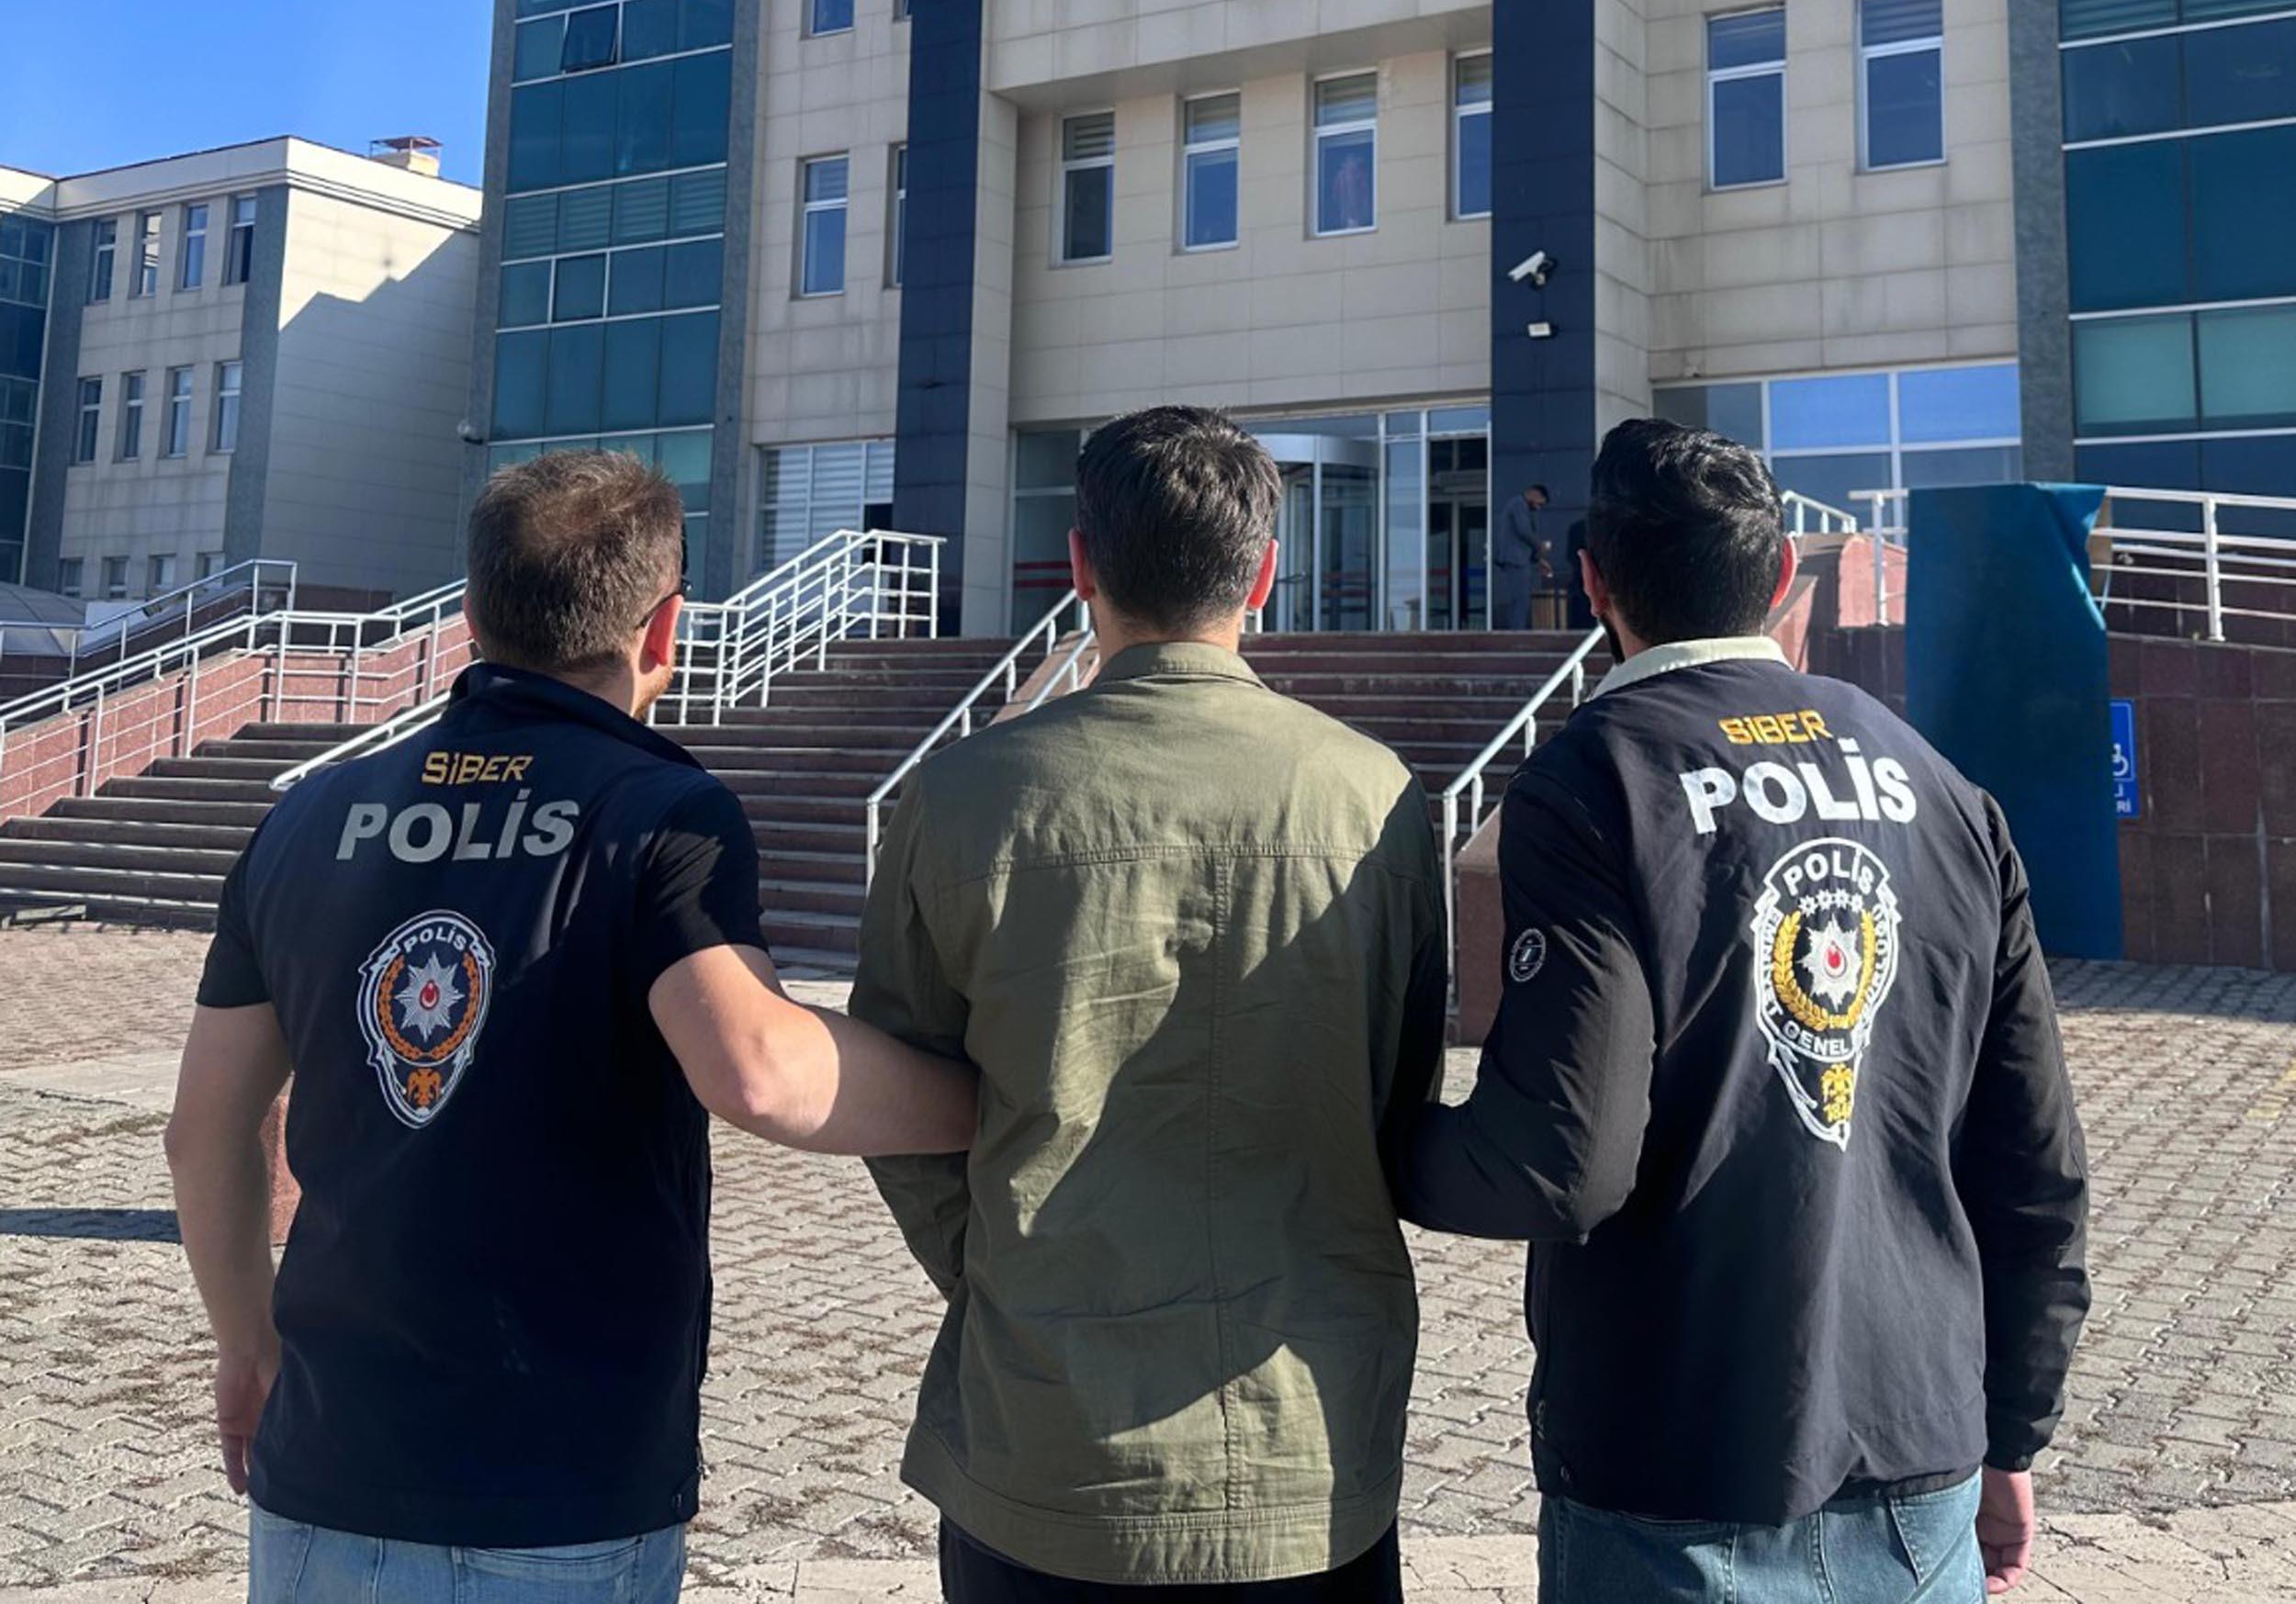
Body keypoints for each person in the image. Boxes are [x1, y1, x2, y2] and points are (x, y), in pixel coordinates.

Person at [164, 451, 976, 1604]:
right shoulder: (657, 811)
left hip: (324, 1466)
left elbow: (203, 1131)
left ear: (472, 616)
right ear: (664, 631)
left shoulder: (308, 815)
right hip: (558, 1480)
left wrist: (246, 1346)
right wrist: (1002, 1100)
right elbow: (760, 1071)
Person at [1400, 419, 2089, 1603]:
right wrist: (2013, 1431)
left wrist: (1366, 1141)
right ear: (1778, 577)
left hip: (1672, 1471)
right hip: (1920, 1454)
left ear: (1592, 582)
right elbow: (2033, 1156)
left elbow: (1558, 1163)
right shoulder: (1940, 786)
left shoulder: (1594, 778)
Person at [852, 406, 1447, 1601]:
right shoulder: (1374, 798)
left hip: (1044, 1429)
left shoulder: (961, 796)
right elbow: (1397, 1093)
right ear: (1265, 574)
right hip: (1305, 1436)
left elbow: (894, 1096)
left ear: (1080, 567)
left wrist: (998, 1266)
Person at [1491, 481, 1552, 630]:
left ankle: (1516, 630)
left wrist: (1538, 560)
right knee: (1521, 599)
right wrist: (1540, 546)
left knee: (1519, 598)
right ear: (1534, 494)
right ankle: (1516, 632)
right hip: (1516, 560)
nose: (1538, 508)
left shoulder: (1518, 505)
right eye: (1539, 503)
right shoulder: (1518, 504)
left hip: (1518, 559)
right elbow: (1523, 531)